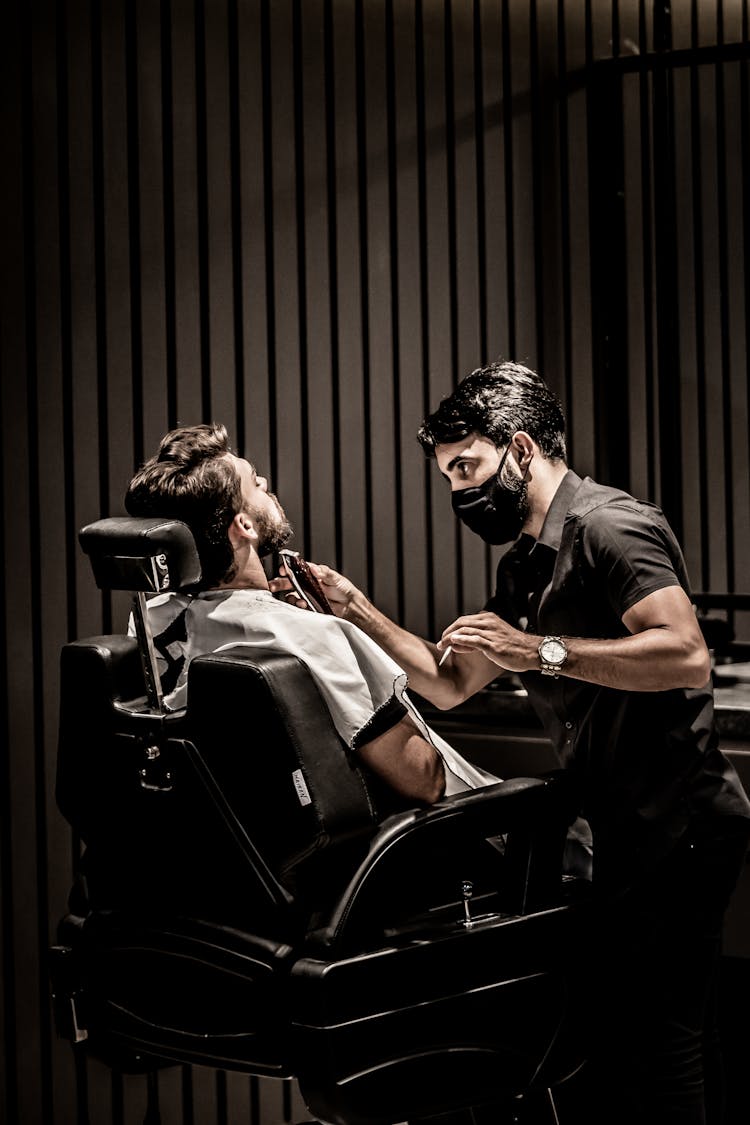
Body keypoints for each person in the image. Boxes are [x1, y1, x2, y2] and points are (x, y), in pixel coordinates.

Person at [274, 360, 750, 1125]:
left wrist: (541, 651)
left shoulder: (610, 526)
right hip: (621, 825)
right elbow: (449, 678)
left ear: (521, 448)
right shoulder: (524, 562)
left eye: (468, 467)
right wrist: (355, 608)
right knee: (660, 1036)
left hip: (681, 824)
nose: (460, 491)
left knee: (664, 1044)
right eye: (448, 475)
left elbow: (685, 652)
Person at [124, 422, 502, 811]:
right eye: (255, 482)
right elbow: (424, 780)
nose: (266, 482)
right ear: (244, 525)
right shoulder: (309, 635)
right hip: (459, 834)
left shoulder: (148, 624)